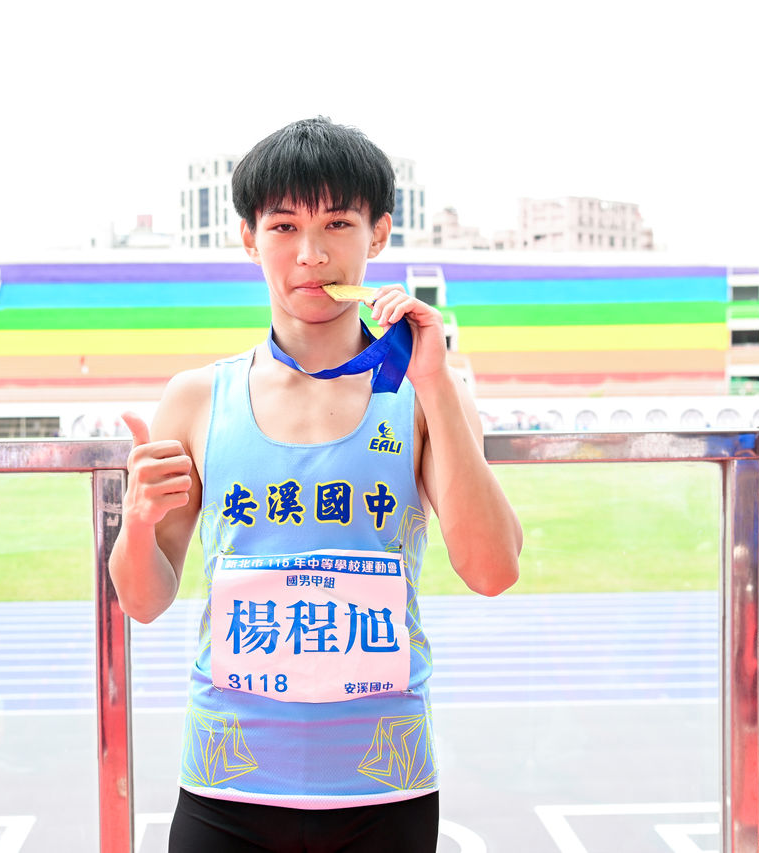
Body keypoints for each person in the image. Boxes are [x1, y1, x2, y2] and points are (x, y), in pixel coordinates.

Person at [108, 116, 522, 853]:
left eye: (337, 223)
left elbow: (492, 570)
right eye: (283, 226)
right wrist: (136, 520)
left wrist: (434, 383)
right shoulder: (197, 398)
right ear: (248, 238)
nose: (310, 253)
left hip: (383, 788)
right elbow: (143, 601)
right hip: (227, 784)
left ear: (379, 233)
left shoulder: (427, 391)